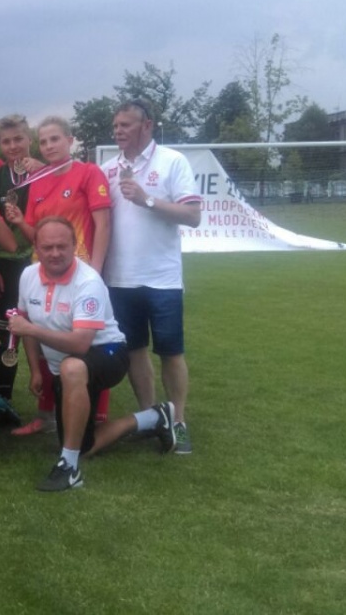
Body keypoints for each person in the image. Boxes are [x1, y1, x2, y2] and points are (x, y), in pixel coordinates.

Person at [8, 218, 177, 492]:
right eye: (47, 247)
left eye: (62, 246)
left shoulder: (88, 281)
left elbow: (80, 344)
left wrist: (31, 329)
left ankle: (69, 467)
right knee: (84, 445)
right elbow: (24, 324)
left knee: (72, 367)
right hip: (67, 367)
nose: (54, 253)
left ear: (75, 245)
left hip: (109, 352)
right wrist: (37, 371)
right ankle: (155, 417)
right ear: (36, 248)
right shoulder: (28, 276)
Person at [101, 99, 202, 454]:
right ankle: (151, 416)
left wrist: (146, 200)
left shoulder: (172, 161)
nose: (118, 131)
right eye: (116, 125)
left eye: (126, 125)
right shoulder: (107, 168)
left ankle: (179, 421)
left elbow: (193, 216)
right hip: (119, 278)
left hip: (162, 279)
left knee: (171, 352)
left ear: (147, 125)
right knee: (134, 350)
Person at [5, 116, 112, 436]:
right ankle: (46, 415)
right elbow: (35, 236)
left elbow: (103, 224)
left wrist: (96, 271)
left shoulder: (89, 172)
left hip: (79, 273)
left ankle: (97, 415)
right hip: (43, 273)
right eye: (44, 141)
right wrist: (19, 221)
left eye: (55, 139)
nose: (49, 146)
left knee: (88, 341)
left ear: (70, 140)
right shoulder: (37, 181)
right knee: (44, 339)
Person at [0, 114, 44, 425]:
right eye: (6, 141)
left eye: (18, 139)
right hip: (6, 263)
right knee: (6, 329)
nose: (13, 146)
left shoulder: (44, 171)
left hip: (39, 260)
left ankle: (50, 397)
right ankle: (1, 396)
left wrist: (42, 170)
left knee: (41, 325)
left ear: (29, 139)